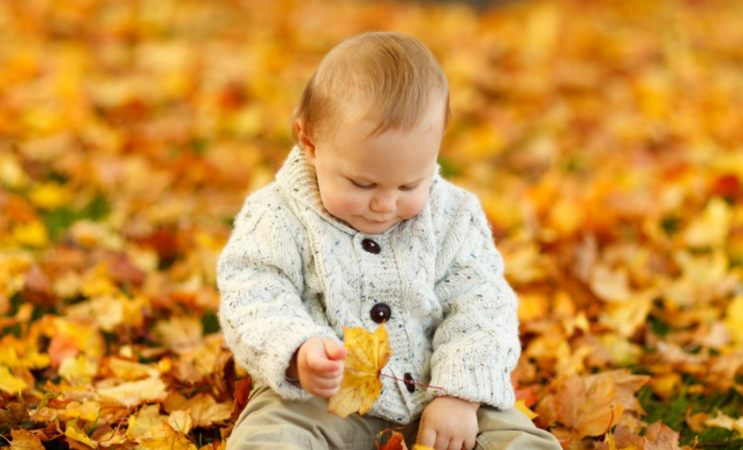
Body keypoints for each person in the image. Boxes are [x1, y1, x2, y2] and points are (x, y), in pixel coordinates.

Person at [217, 31, 562, 450]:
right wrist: (296, 350)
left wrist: (459, 393)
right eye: (362, 182)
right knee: (270, 435)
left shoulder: (453, 216)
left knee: (515, 438)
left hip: (435, 389)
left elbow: (483, 304)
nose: (384, 203)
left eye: (408, 184)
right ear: (310, 143)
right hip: (321, 398)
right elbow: (251, 292)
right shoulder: (276, 215)